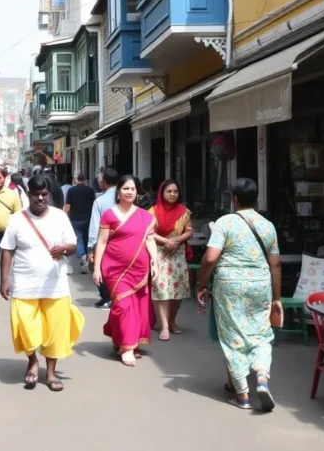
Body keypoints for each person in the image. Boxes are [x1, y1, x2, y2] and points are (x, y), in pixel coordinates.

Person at [196, 177, 281, 412]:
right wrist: (277, 297)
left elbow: (211, 258)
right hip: (260, 284)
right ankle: (262, 375)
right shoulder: (267, 225)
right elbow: (275, 264)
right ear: (257, 199)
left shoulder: (225, 223)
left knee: (233, 336)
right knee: (262, 334)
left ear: (234, 199)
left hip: (229, 285)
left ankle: (242, 394)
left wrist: (201, 284)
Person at [0, 175, 84, 392]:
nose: (40, 198)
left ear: (49, 195)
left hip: (55, 284)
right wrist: (4, 280)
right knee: (25, 327)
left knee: (55, 329)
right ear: (28, 195)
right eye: (35, 194)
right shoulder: (17, 218)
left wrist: (63, 249)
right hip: (24, 282)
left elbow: (73, 245)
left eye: (44, 194)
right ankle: (33, 362)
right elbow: (7, 249)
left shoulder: (59, 217)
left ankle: (51, 372)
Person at [93, 175, 159, 367]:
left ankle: (122, 338)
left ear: (137, 192)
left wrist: (154, 262)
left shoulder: (145, 216)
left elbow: (150, 240)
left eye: (132, 189)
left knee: (136, 306)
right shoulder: (109, 215)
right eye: (125, 189)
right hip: (114, 268)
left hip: (139, 269)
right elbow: (102, 241)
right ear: (118, 192)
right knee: (123, 305)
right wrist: (97, 267)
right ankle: (127, 348)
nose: (129, 192)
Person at [148, 180, 193, 341]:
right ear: (162, 193)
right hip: (159, 253)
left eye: (175, 191)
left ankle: (173, 320)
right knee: (161, 288)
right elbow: (149, 233)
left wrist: (177, 239)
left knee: (178, 291)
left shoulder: (184, 211)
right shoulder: (152, 211)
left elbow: (189, 230)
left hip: (178, 253)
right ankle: (165, 325)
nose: (173, 194)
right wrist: (166, 241)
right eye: (169, 191)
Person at [87, 168, 120, 308]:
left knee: (100, 269)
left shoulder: (99, 201)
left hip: (104, 242)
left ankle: (107, 297)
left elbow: (95, 226)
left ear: (104, 182)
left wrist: (91, 249)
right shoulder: (124, 198)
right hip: (123, 242)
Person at [64, 174, 96, 274]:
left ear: (76, 180)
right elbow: (94, 204)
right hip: (88, 218)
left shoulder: (71, 190)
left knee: (78, 238)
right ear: (84, 180)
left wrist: (65, 216)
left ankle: (82, 256)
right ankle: (89, 257)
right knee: (87, 238)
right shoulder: (90, 190)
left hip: (75, 219)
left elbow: (68, 206)